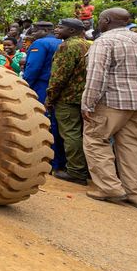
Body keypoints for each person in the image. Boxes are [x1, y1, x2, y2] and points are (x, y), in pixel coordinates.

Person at [81, 7, 137, 209]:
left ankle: (109, 188)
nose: (99, 22)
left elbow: (97, 75)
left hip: (113, 102)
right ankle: (136, 195)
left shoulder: (104, 41)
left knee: (95, 141)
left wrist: (88, 103)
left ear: (107, 20)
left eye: (100, 19)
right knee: (133, 149)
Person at [45, 19, 90, 186]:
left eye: (60, 27)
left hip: (67, 98)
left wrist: (50, 98)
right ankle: (84, 169)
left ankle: (76, 172)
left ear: (71, 30)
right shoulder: (87, 44)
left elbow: (59, 76)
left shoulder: (67, 46)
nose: (56, 29)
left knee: (71, 134)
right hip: (83, 97)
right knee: (82, 134)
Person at [23, 21, 66, 172]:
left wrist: (24, 86)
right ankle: (60, 161)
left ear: (46, 30)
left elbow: (33, 68)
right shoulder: (62, 42)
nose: (33, 34)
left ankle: (49, 161)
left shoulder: (40, 44)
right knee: (57, 124)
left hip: (42, 87)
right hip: (60, 88)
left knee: (44, 123)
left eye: (35, 31)